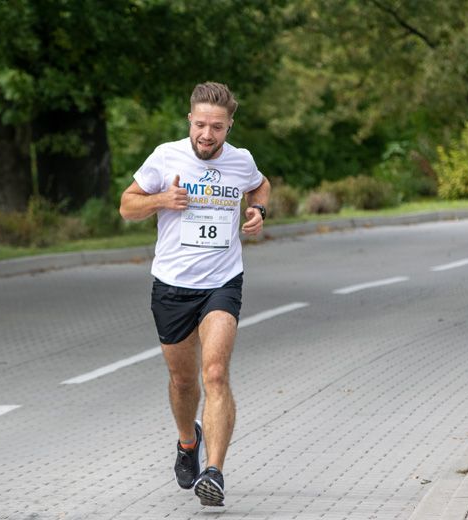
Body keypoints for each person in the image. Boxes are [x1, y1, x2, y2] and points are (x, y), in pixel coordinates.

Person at [119, 82, 271, 507]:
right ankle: (189, 441)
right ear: (190, 120)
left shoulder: (241, 161)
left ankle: (215, 472)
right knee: (183, 381)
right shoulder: (165, 156)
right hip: (171, 285)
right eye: (202, 124)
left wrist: (259, 210)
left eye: (217, 127)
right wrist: (161, 199)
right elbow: (126, 205)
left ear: (229, 127)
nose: (208, 134)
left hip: (223, 282)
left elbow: (261, 185)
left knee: (216, 374)